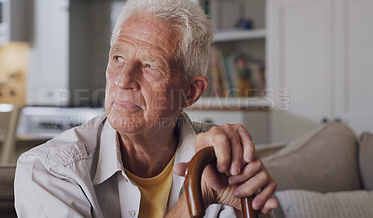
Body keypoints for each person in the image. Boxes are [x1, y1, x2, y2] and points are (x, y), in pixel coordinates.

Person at [14, 0, 278, 217]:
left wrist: (250, 205)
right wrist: (193, 199)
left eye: (150, 65)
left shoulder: (218, 161)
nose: (123, 80)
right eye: (118, 58)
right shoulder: (48, 171)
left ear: (191, 92)